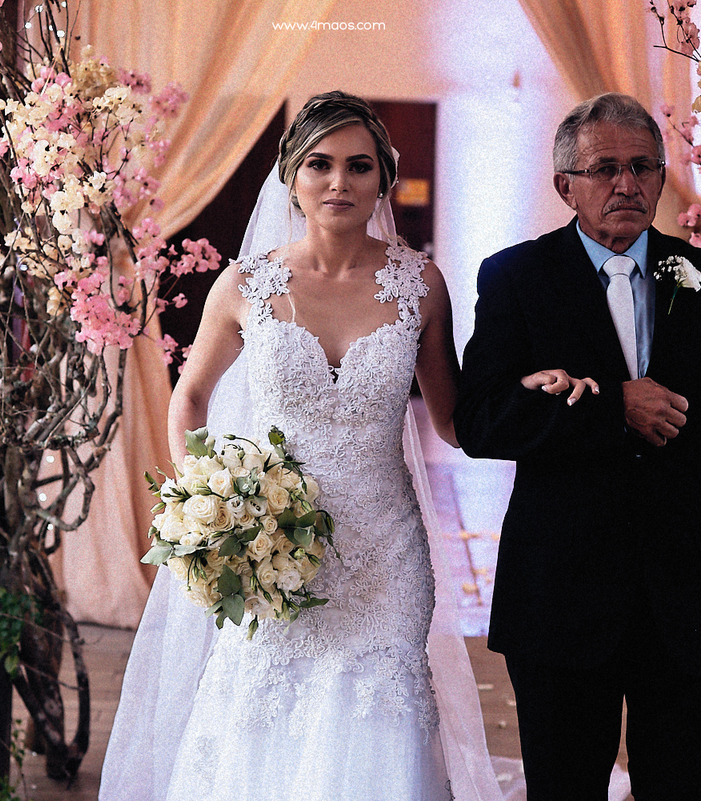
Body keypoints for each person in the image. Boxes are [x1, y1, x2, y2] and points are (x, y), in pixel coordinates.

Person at [99, 91, 506, 801]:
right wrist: (209, 500)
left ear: (383, 177)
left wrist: (533, 384)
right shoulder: (246, 286)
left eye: (358, 165)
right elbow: (189, 395)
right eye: (319, 164)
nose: (339, 182)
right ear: (291, 176)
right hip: (271, 549)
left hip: (387, 556)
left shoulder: (421, 286)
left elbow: (454, 419)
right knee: (266, 721)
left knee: (380, 723)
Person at [453, 92, 701, 801]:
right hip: (560, 598)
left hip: (689, 597)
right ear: (565, 185)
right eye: (605, 168)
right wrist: (613, 406)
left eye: (642, 167)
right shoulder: (516, 278)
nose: (626, 184)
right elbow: (482, 420)